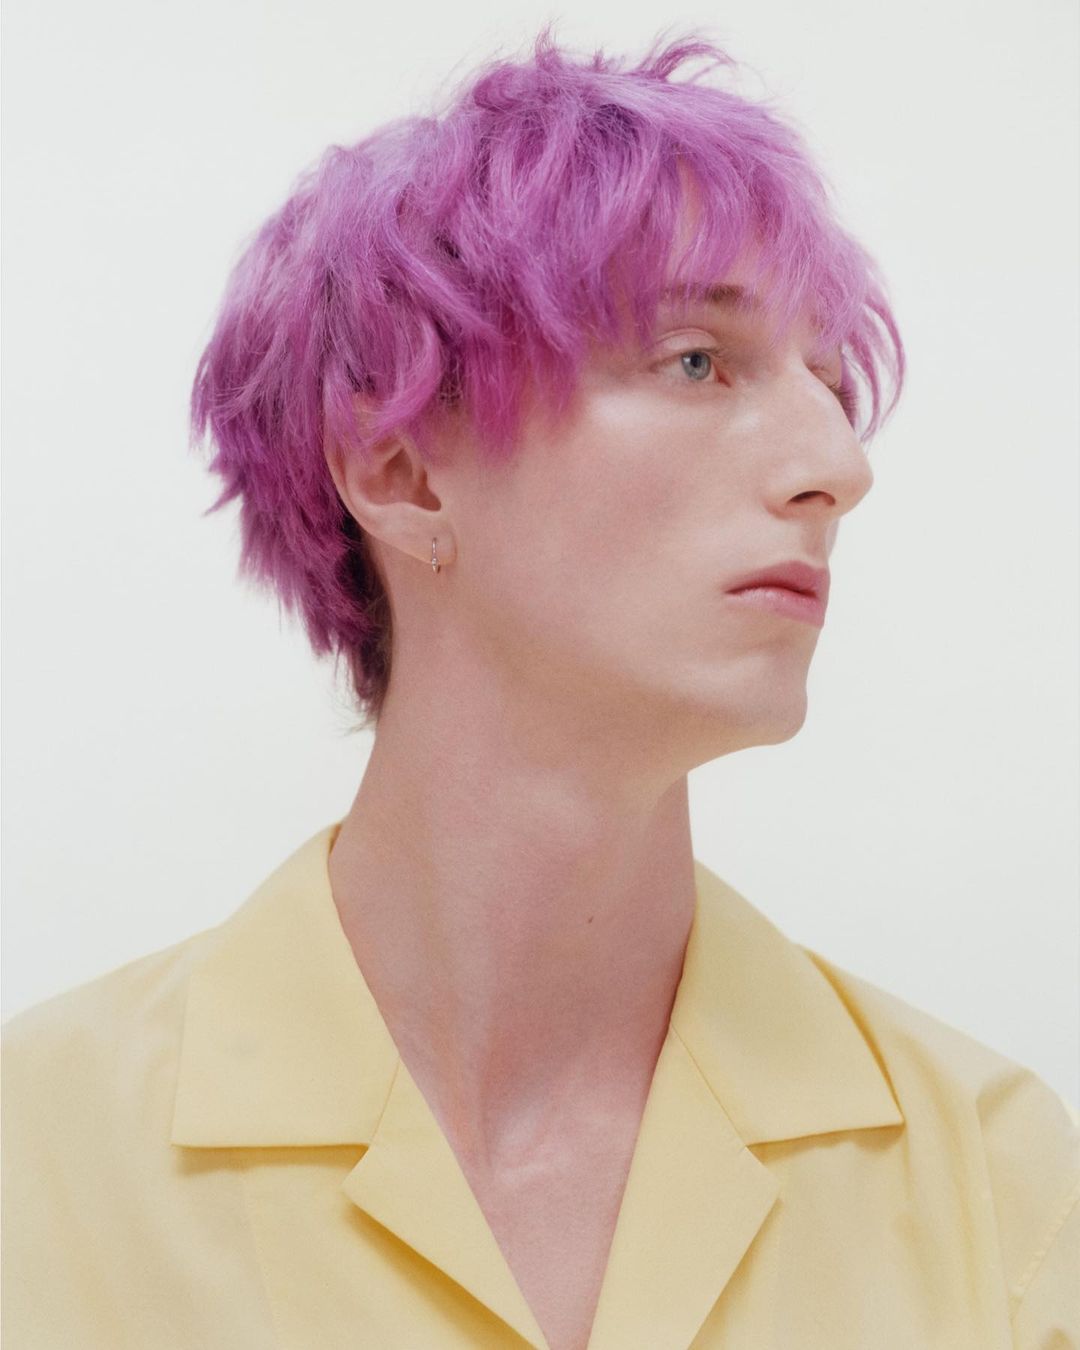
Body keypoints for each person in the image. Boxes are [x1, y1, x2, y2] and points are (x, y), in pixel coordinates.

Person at [3, 24, 1077, 1350]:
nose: (839, 466)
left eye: (833, 381)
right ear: (400, 470)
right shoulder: (37, 1166)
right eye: (697, 361)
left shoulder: (993, 1176)